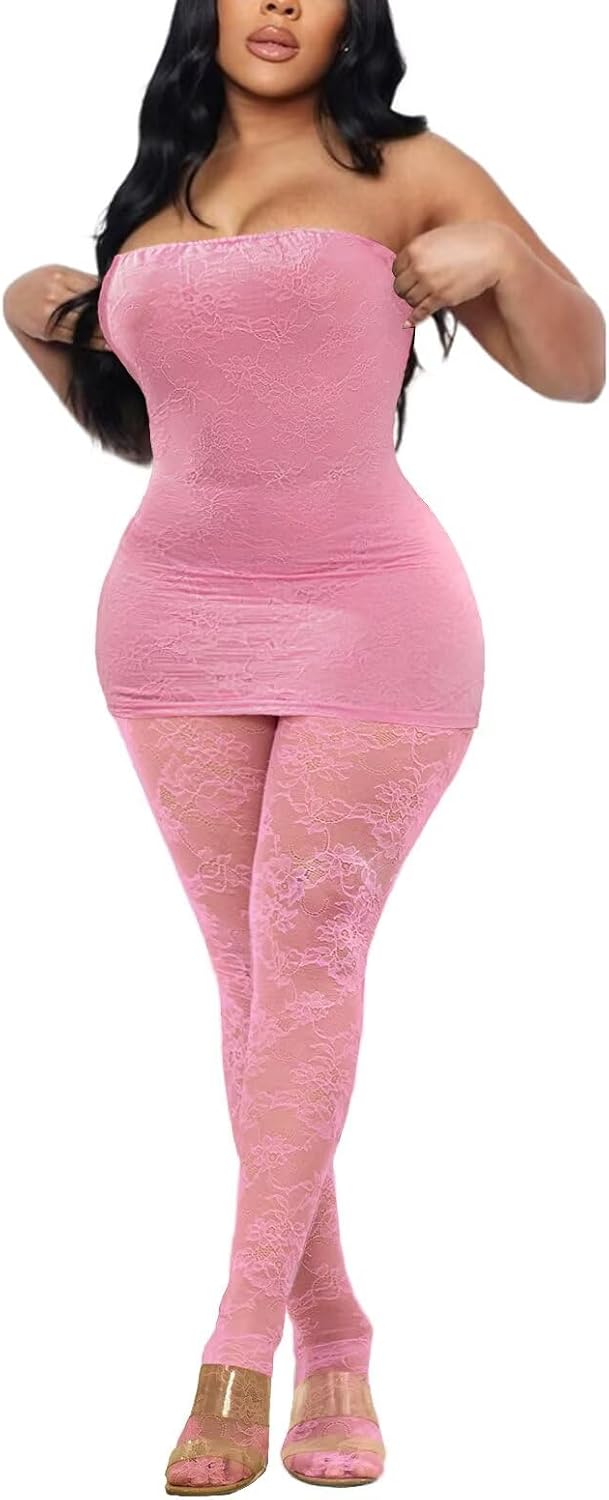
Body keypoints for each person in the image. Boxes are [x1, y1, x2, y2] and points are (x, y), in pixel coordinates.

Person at [3, 1, 604, 1494]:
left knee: (309, 948)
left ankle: (232, 1351)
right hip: (170, 617)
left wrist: (503, 256)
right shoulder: (157, 188)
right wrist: (38, 322)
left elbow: (580, 370)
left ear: (355, 13)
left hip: (371, 610)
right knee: (253, 983)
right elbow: (161, 435)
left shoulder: (409, 165)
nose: (278, 3)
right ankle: (335, 1337)